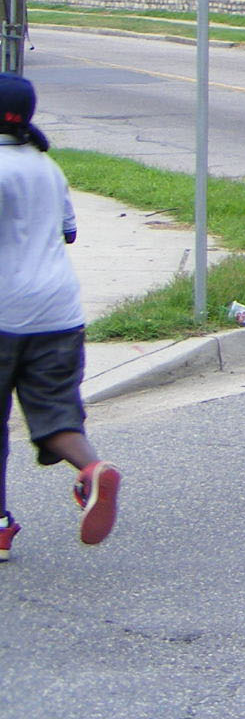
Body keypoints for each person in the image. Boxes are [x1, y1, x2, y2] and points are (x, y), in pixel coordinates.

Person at [0, 74, 121, 560]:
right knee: (55, 413)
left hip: (4, 310)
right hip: (58, 312)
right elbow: (68, 232)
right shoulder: (46, 166)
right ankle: (91, 470)